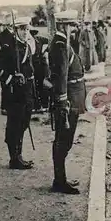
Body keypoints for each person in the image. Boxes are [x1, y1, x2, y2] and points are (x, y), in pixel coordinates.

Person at [0, 17, 35, 169]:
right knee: (14, 126)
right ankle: (14, 159)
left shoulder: (26, 46)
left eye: (27, 29)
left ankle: (19, 155)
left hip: (26, 92)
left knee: (24, 123)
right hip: (14, 94)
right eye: (22, 29)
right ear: (16, 31)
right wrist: (10, 78)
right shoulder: (9, 48)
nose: (25, 32)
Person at [48, 25, 87, 194]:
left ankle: (60, 178)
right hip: (69, 99)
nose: (75, 28)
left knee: (63, 140)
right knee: (64, 140)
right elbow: (62, 75)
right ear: (65, 26)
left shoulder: (60, 43)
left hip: (71, 97)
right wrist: (63, 101)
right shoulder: (60, 45)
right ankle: (59, 181)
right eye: (72, 25)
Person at [29, 26, 51, 113]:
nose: (32, 35)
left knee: (42, 85)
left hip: (40, 66)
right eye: (30, 33)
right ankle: (35, 106)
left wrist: (45, 51)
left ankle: (44, 104)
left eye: (33, 33)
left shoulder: (40, 39)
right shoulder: (25, 42)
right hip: (31, 66)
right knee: (33, 86)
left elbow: (51, 41)